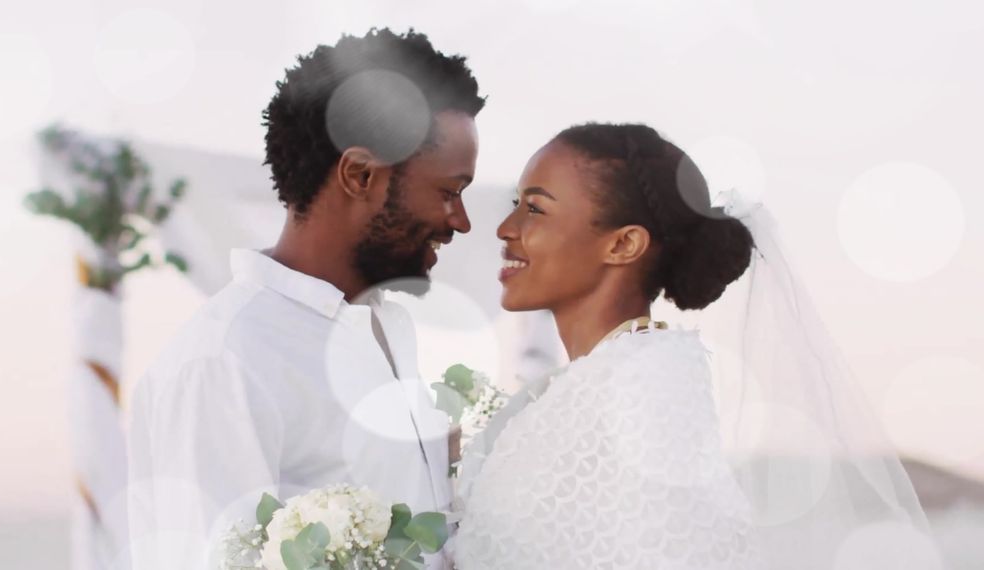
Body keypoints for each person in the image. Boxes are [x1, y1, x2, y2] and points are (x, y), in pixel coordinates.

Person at [451, 123, 931, 568]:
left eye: (534, 208)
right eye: (516, 203)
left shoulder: (646, 391)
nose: (505, 228)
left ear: (623, 245)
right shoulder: (581, 387)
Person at [127, 28, 484, 569]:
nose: (461, 221)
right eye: (449, 192)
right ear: (360, 174)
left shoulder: (387, 326)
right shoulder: (226, 360)